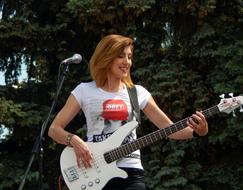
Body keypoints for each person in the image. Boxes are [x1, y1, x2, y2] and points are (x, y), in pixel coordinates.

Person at [48, 34, 208, 190]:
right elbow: (54, 129)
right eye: (121, 56)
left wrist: (198, 131)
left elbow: (170, 129)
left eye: (129, 57)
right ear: (106, 58)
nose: (127, 62)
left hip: (131, 174)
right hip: (94, 172)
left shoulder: (137, 93)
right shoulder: (84, 91)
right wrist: (74, 141)